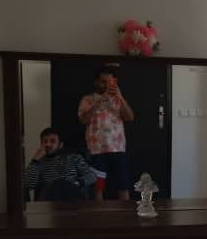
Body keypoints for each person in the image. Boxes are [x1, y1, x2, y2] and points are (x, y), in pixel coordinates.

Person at [78, 66, 135, 201]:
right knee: (98, 187)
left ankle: (125, 213)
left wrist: (120, 97)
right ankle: (99, 214)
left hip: (118, 148)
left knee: (123, 185)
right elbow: (83, 119)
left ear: (115, 81)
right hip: (96, 149)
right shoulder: (87, 99)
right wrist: (99, 101)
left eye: (110, 82)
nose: (106, 85)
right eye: (103, 82)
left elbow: (130, 117)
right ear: (96, 82)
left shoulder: (118, 99)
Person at [24, 127, 100, 201]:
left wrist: (77, 182)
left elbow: (92, 176)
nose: (48, 144)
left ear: (60, 145)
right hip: (49, 198)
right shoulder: (39, 162)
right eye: (45, 141)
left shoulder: (74, 158)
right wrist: (35, 160)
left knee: (61, 183)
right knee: (57, 184)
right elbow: (28, 184)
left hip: (72, 196)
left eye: (52, 141)